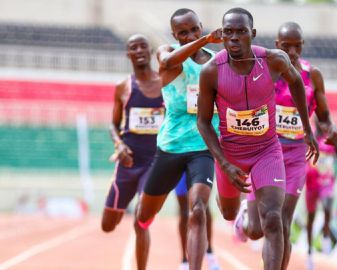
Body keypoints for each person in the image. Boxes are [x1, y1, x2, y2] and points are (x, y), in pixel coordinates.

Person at [197, 8, 319, 270]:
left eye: (240, 32)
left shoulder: (273, 61)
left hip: (266, 151)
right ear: (221, 35)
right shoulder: (211, 71)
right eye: (228, 32)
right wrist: (224, 163)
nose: (234, 38)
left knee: (273, 218)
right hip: (230, 153)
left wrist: (308, 129)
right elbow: (203, 122)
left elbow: (297, 83)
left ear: (251, 34)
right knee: (237, 219)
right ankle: (238, 214)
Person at [233, 22, 337, 269]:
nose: (292, 52)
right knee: (257, 229)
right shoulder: (264, 71)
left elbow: (323, 116)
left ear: (302, 46)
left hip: (295, 156)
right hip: (264, 152)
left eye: (296, 46)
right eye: (286, 47)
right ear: (277, 46)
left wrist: (330, 129)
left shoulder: (312, 75)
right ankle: (246, 216)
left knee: (281, 222)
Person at [135, 8, 222, 270]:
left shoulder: (218, 61)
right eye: (183, 33)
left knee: (197, 209)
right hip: (170, 147)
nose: (190, 35)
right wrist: (205, 40)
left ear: (200, 26)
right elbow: (168, 63)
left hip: (202, 148)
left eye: (194, 29)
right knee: (144, 216)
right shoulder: (166, 52)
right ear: (175, 35)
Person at [101, 34, 163, 270]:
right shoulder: (123, 87)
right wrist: (119, 145)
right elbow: (112, 125)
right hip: (128, 161)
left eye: (143, 46)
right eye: (133, 48)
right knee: (108, 225)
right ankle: (115, 189)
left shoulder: (164, 83)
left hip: (155, 162)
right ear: (128, 54)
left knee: (141, 221)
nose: (138, 50)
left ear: (150, 50)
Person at [305, 119, 337, 269]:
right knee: (310, 217)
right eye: (322, 123)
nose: (325, 126)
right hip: (311, 182)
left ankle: (326, 237)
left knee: (327, 206)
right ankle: (309, 251)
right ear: (317, 123)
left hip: (327, 181)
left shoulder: (332, 140)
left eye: (326, 123)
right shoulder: (310, 137)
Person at [174, 173, 220, 270]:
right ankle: (184, 259)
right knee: (184, 212)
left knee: (203, 207)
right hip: (179, 165)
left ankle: (209, 252)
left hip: (200, 160)